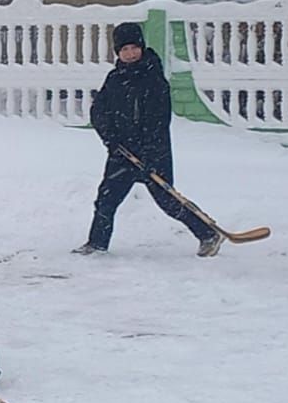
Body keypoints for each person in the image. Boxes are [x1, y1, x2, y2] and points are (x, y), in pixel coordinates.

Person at [74, 21, 221, 257]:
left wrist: (146, 150)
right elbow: (99, 110)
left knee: (168, 201)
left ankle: (208, 234)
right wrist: (110, 139)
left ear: (141, 47)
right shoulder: (114, 78)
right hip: (122, 152)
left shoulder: (153, 78)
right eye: (124, 50)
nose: (130, 54)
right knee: (106, 199)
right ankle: (97, 243)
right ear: (118, 53)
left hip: (153, 152)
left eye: (134, 48)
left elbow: (159, 119)